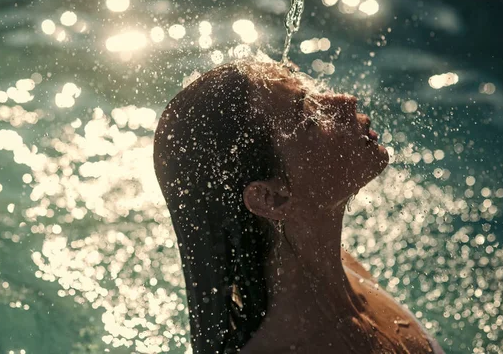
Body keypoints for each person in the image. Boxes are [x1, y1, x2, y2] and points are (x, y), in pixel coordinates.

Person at [153, 58, 444, 354]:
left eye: (313, 92)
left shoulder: (338, 264)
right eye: (310, 120)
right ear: (271, 198)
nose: (345, 101)